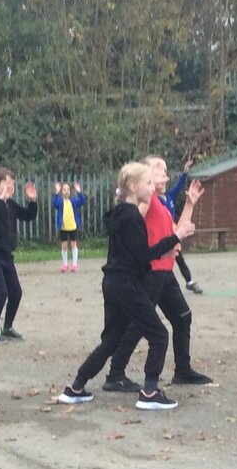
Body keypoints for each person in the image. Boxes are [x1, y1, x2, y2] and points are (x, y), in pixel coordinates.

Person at [56, 162, 190, 411]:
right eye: (148, 183)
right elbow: (142, 256)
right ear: (132, 186)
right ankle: (149, 392)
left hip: (112, 283)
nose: (152, 188)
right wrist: (175, 238)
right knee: (159, 335)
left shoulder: (121, 213)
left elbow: (135, 253)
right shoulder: (131, 217)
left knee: (112, 340)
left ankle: (75, 387)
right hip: (127, 284)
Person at [102, 156, 211, 390]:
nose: (164, 171)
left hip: (166, 271)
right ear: (145, 176)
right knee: (139, 324)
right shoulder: (147, 200)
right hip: (150, 271)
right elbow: (130, 219)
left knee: (182, 317)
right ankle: (115, 374)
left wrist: (190, 204)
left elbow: (177, 232)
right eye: (158, 168)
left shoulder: (162, 201)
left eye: (164, 167)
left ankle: (182, 370)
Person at [0, 166, 38, 341]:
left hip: (6, 255)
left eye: (12, 184)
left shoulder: (10, 204)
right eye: (7, 183)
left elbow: (28, 216)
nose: (11, 187)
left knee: (16, 292)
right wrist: (0, 200)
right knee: (1, 293)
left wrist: (33, 201)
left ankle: (7, 327)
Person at [165, 158, 204, 293]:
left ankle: (189, 281)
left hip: (171, 233)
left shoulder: (169, 196)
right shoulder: (154, 200)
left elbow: (179, 186)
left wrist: (185, 172)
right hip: (163, 235)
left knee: (179, 259)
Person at [52, 182, 86, 272]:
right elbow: (54, 203)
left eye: (68, 189)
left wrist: (79, 191)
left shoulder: (74, 201)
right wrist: (56, 192)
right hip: (63, 227)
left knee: (73, 245)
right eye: (64, 189)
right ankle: (65, 264)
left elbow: (83, 201)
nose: (66, 191)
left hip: (73, 227)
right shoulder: (59, 201)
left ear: (70, 191)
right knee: (64, 246)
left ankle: (75, 264)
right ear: (61, 191)